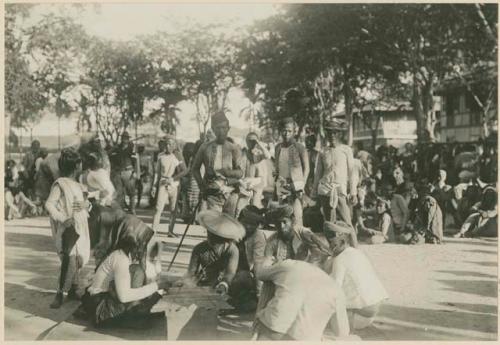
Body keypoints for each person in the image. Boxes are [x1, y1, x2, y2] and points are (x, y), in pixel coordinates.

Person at [79, 215, 166, 328]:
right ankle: (133, 315)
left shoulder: (119, 253)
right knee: (138, 274)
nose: (143, 247)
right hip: (102, 311)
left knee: (137, 271)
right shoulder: (120, 259)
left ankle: (137, 312)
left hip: (100, 302)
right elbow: (124, 297)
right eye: (141, 242)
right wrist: (156, 286)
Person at [254, 259, 350, 340]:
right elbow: (342, 332)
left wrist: (266, 260)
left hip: (273, 328)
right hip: (303, 338)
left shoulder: (289, 265)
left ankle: (255, 333)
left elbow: (260, 273)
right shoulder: (337, 289)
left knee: (270, 282)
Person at [45, 148, 91, 308]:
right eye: (80, 162)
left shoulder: (79, 185)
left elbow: (87, 204)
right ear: (76, 165)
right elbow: (49, 204)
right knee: (68, 260)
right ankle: (60, 292)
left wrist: (87, 204)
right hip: (68, 228)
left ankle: (73, 288)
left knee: (78, 259)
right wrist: (63, 219)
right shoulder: (60, 184)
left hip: (80, 226)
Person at [322, 221, 388, 330]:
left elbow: (333, 290)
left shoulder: (340, 259)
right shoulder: (357, 252)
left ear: (342, 241)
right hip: (371, 311)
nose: (330, 246)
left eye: (332, 243)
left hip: (360, 315)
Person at [191, 111, 243, 215]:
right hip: (212, 192)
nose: (221, 131)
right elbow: (195, 169)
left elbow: (240, 172)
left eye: (224, 128)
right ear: (213, 129)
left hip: (231, 192)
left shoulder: (234, 148)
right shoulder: (205, 147)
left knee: (227, 226)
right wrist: (202, 186)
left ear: (228, 128)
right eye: (218, 128)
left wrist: (227, 174)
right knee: (214, 225)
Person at [181, 210, 244, 294]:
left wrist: (223, 285)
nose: (210, 238)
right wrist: (187, 282)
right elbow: (191, 272)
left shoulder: (232, 250)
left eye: (215, 237)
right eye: (209, 234)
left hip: (226, 285)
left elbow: (230, 273)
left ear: (223, 239)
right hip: (204, 283)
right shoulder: (199, 249)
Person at [312, 119, 357, 228]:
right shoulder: (323, 151)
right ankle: (333, 245)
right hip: (325, 190)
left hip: (340, 190)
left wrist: (353, 192)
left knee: (347, 223)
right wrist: (314, 191)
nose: (332, 135)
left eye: (335, 132)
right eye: (329, 133)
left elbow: (352, 172)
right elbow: (318, 173)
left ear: (340, 134)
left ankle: (353, 245)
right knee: (329, 224)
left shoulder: (346, 150)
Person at [227, 205, 267, 312]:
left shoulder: (258, 237)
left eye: (253, 224)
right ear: (239, 220)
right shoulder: (231, 232)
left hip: (246, 274)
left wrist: (259, 294)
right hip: (228, 271)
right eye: (246, 222)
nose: (249, 227)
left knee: (242, 277)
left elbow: (258, 265)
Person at [274, 117, 309, 226]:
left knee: (297, 214)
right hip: (282, 184)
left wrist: (301, 184)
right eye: (284, 130)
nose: (286, 133)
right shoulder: (278, 148)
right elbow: (278, 166)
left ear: (294, 132)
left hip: (296, 185)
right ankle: (286, 241)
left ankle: (298, 240)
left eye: (289, 131)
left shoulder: (300, 147)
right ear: (280, 131)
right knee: (283, 215)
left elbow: (307, 168)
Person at [151, 136, 187, 237]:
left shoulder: (178, 156)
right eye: (166, 144)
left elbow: (185, 170)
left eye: (170, 144)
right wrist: (154, 186)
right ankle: (153, 231)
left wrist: (173, 179)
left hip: (174, 185)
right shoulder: (160, 156)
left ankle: (170, 231)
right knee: (158, 208)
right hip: (162, 183)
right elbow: (157, 173)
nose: (167, 146)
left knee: (173, 209)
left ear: (174, 146)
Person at [239, 132, 271, 209]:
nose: (251, 143)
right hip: (245, 185)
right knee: (239, 208)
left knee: (254, 208)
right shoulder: (243, 153)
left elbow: (268, 156)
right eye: (249, 140)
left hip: (257, 184)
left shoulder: (258, 153)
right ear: (246, 141)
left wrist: (258, 143)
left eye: (253, 141)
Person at [108, 132, 137, 214]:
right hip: (118, 172)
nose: (125, 139)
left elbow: (135, 160)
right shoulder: (117, 148)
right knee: (119, 193)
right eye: (123, 138)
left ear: (128, 139)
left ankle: (132, 210)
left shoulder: (132, 148)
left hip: (128, 171)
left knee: (131, 192)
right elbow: (109, 155)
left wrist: (134, 171)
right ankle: (120, 210)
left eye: (126, 138)